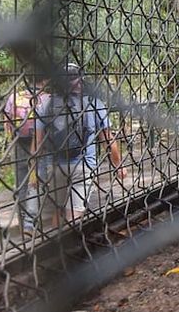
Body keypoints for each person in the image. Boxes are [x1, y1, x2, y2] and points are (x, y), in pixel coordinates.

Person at [36, 63, 125, 229]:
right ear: (80, 80)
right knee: (74, 214)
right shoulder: (94, 103)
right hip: (83, 166)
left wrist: (35, 172)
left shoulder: (46, 104)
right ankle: (69, 246)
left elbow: (38, 142)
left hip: (54, 167)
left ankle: (57, 247)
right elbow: (107, 139)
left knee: (58, 211)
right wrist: (118, 165)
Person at [2, 74, 49, 236]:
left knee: (20, 182)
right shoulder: (46, 98)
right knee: (35, 182)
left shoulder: (15, 96)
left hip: (18, 141)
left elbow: (6, 119)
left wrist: (11, 139)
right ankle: (30, 224)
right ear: (44, 80)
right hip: (40, 143)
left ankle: (23, 222)